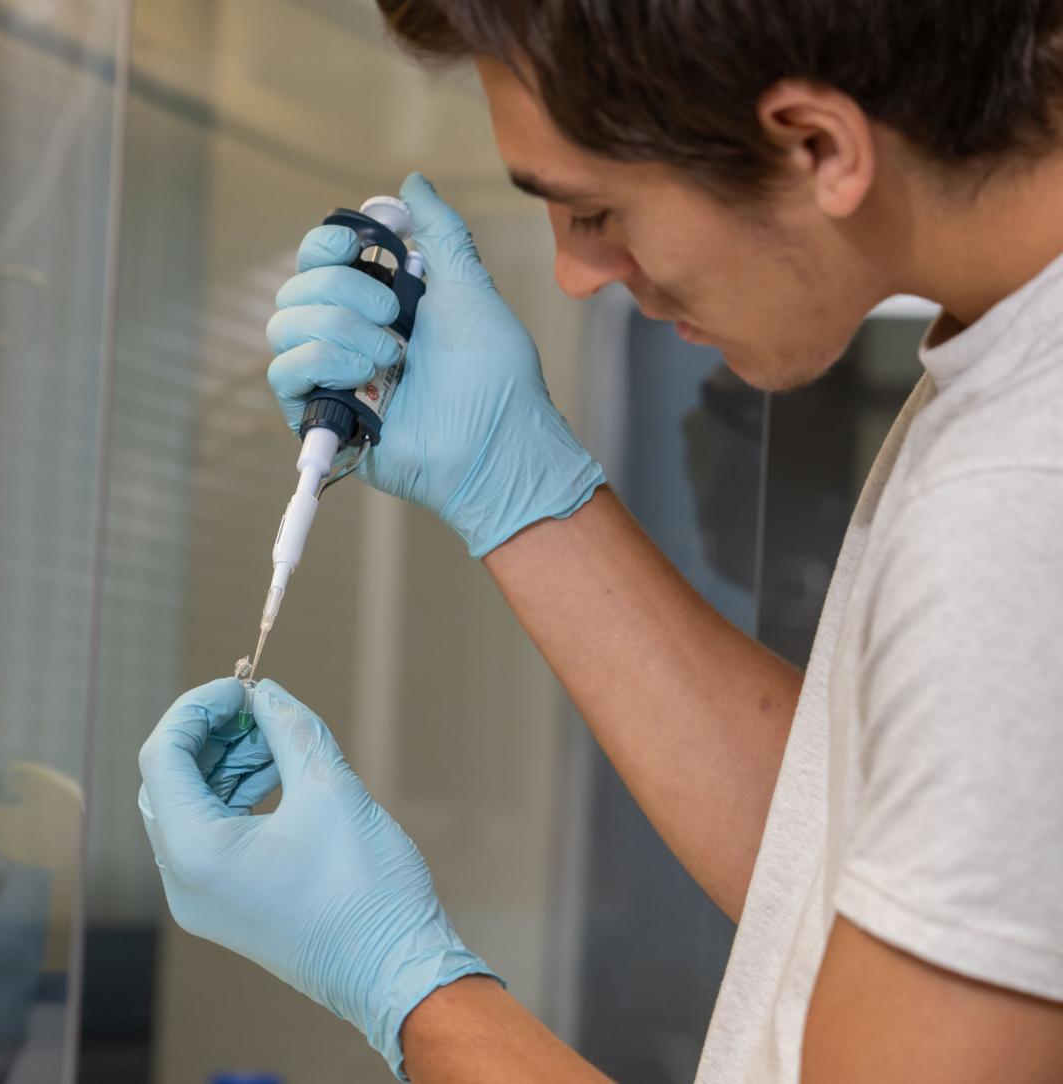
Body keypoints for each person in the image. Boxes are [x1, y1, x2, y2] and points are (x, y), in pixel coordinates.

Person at [137, 1, 1063, 1080]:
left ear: (818, 147)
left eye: (598, 211)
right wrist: (513, 482)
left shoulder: (1023, 500)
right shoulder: (1013, 357)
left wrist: (405, 981)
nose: (577, 273)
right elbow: (898, 838)